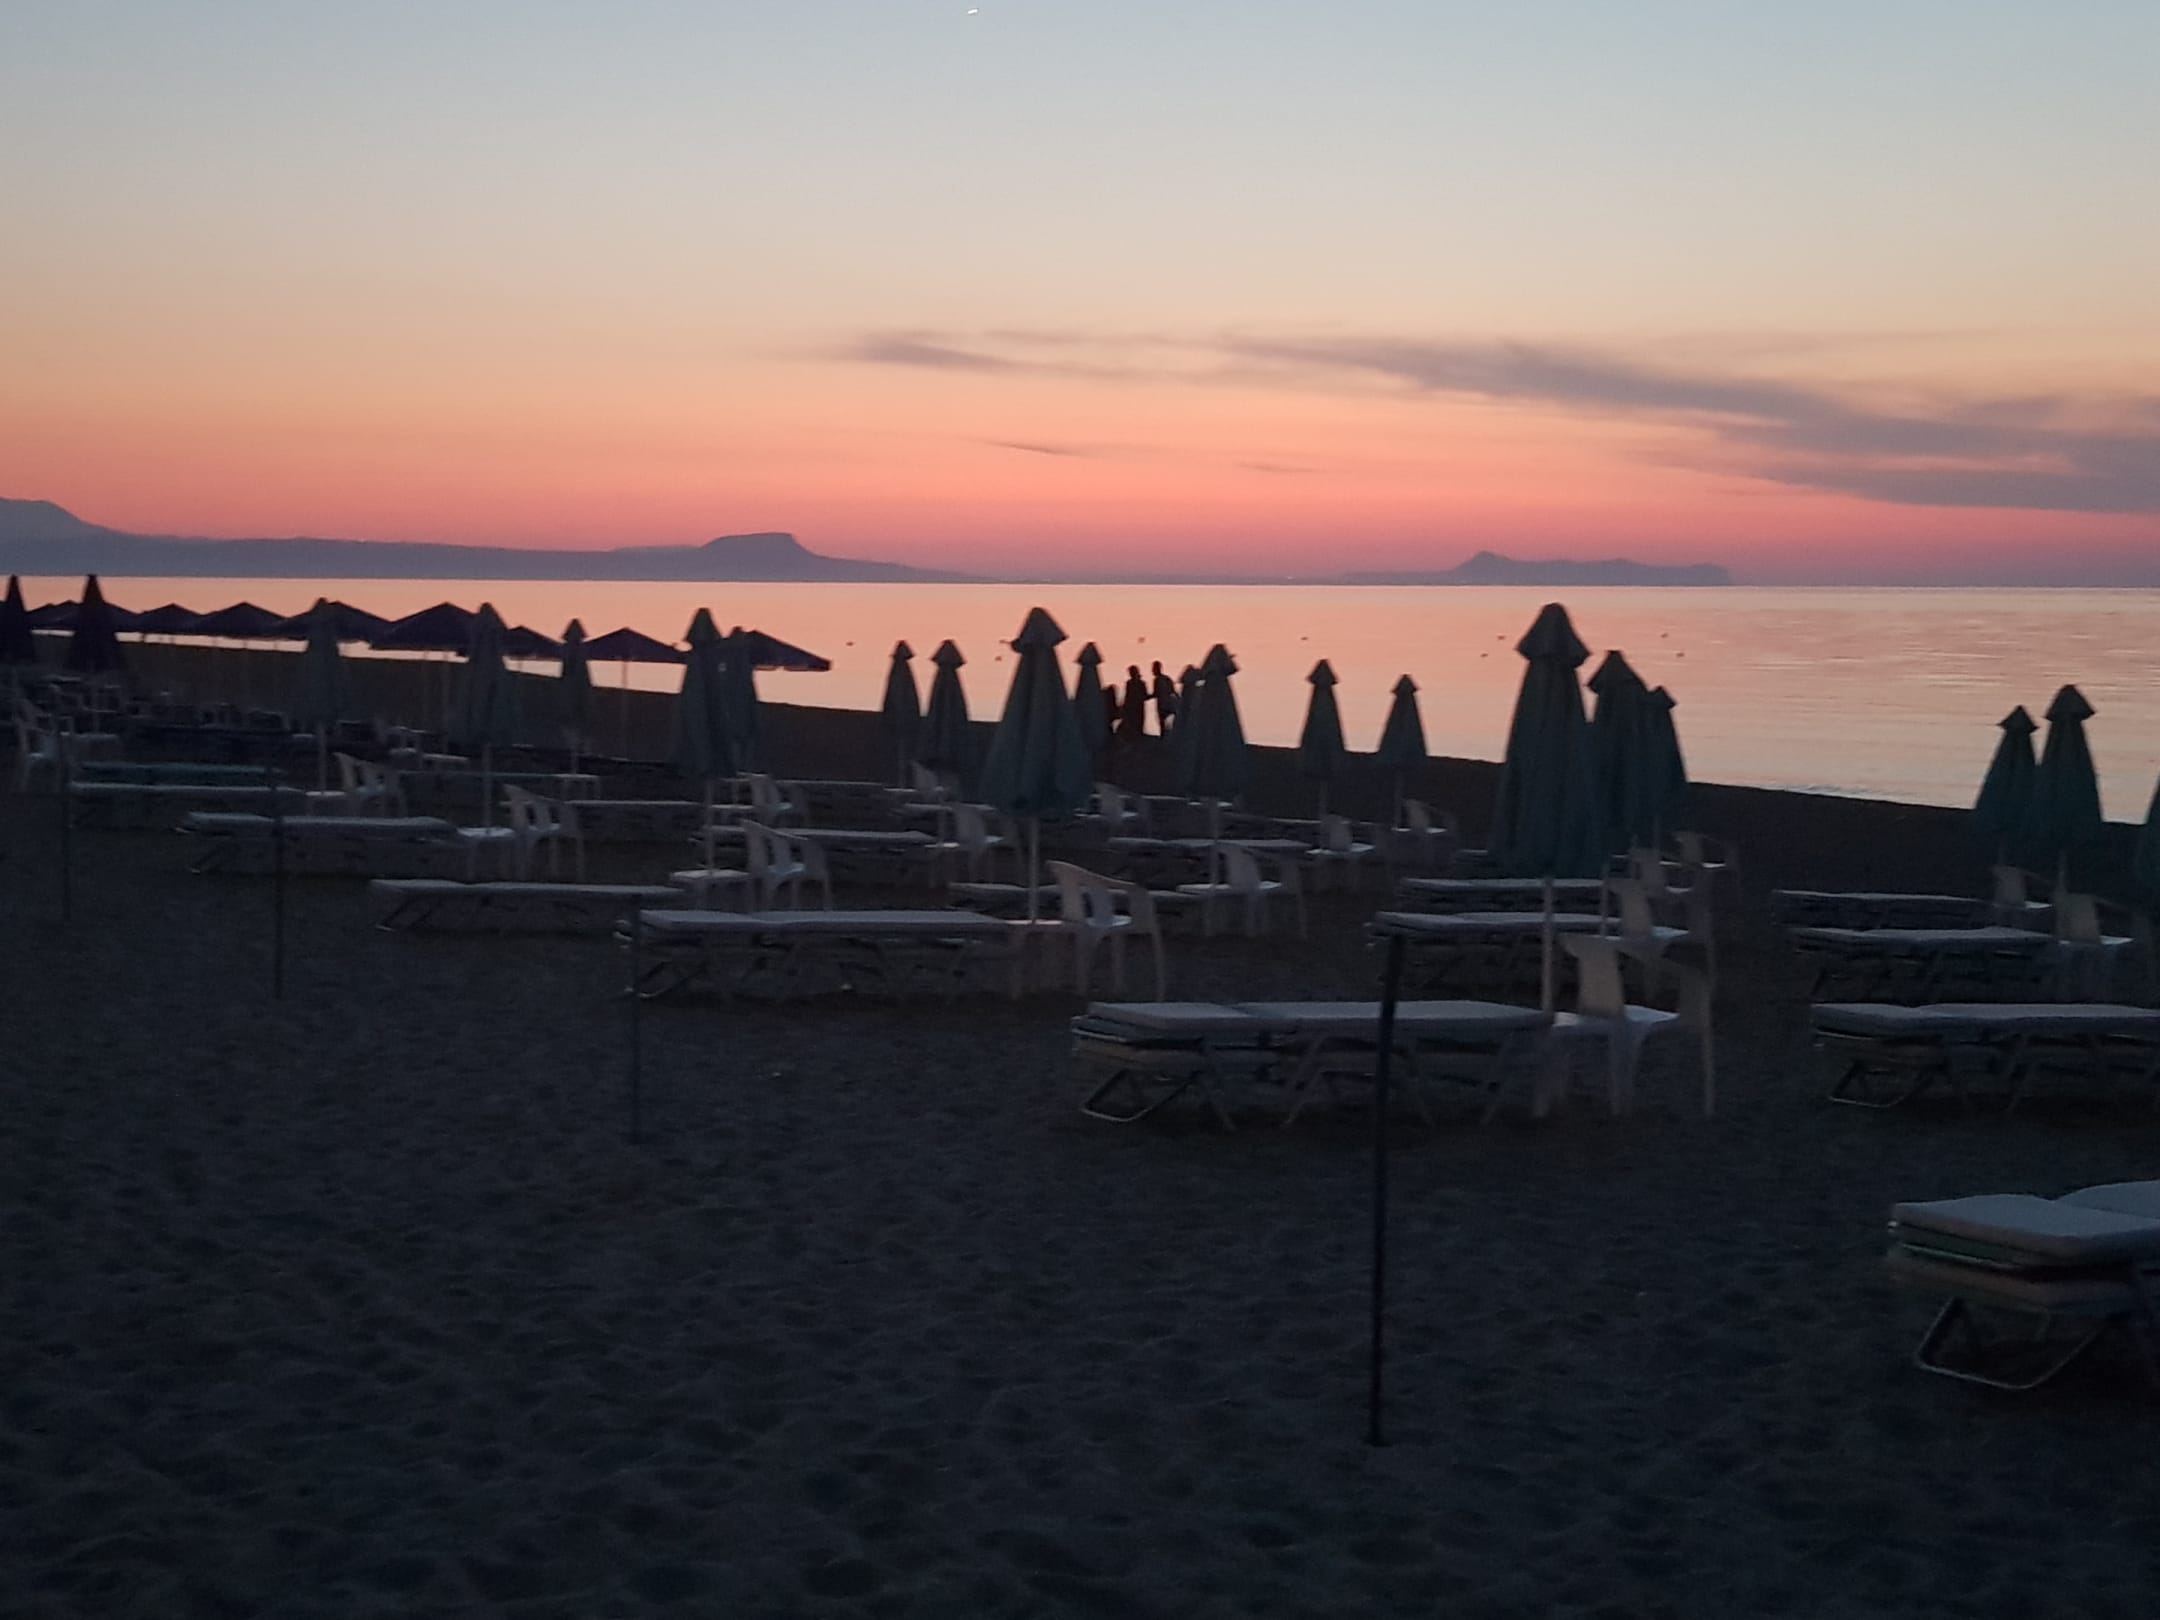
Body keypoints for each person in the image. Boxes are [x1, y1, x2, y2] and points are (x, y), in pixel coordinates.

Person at [1118, 666, 1148, 741]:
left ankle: (1137, 738)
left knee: (1137, 723)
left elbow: (1143, 695)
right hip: (1134, 706)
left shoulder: (1136, 683)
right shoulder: (1133, 683)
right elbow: (1128, 696)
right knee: (1134, 723)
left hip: (1136, 706)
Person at [1151, 661, 1178, 736]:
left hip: (1162, 704)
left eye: (1153, 669)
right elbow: (1173, 691)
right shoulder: (1167, 678)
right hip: (1168, 704)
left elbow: (1155, 693)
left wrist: (1144, 697)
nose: (1152, 671)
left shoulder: (1157, 680)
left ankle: (1164, 736)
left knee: (1162, 723)